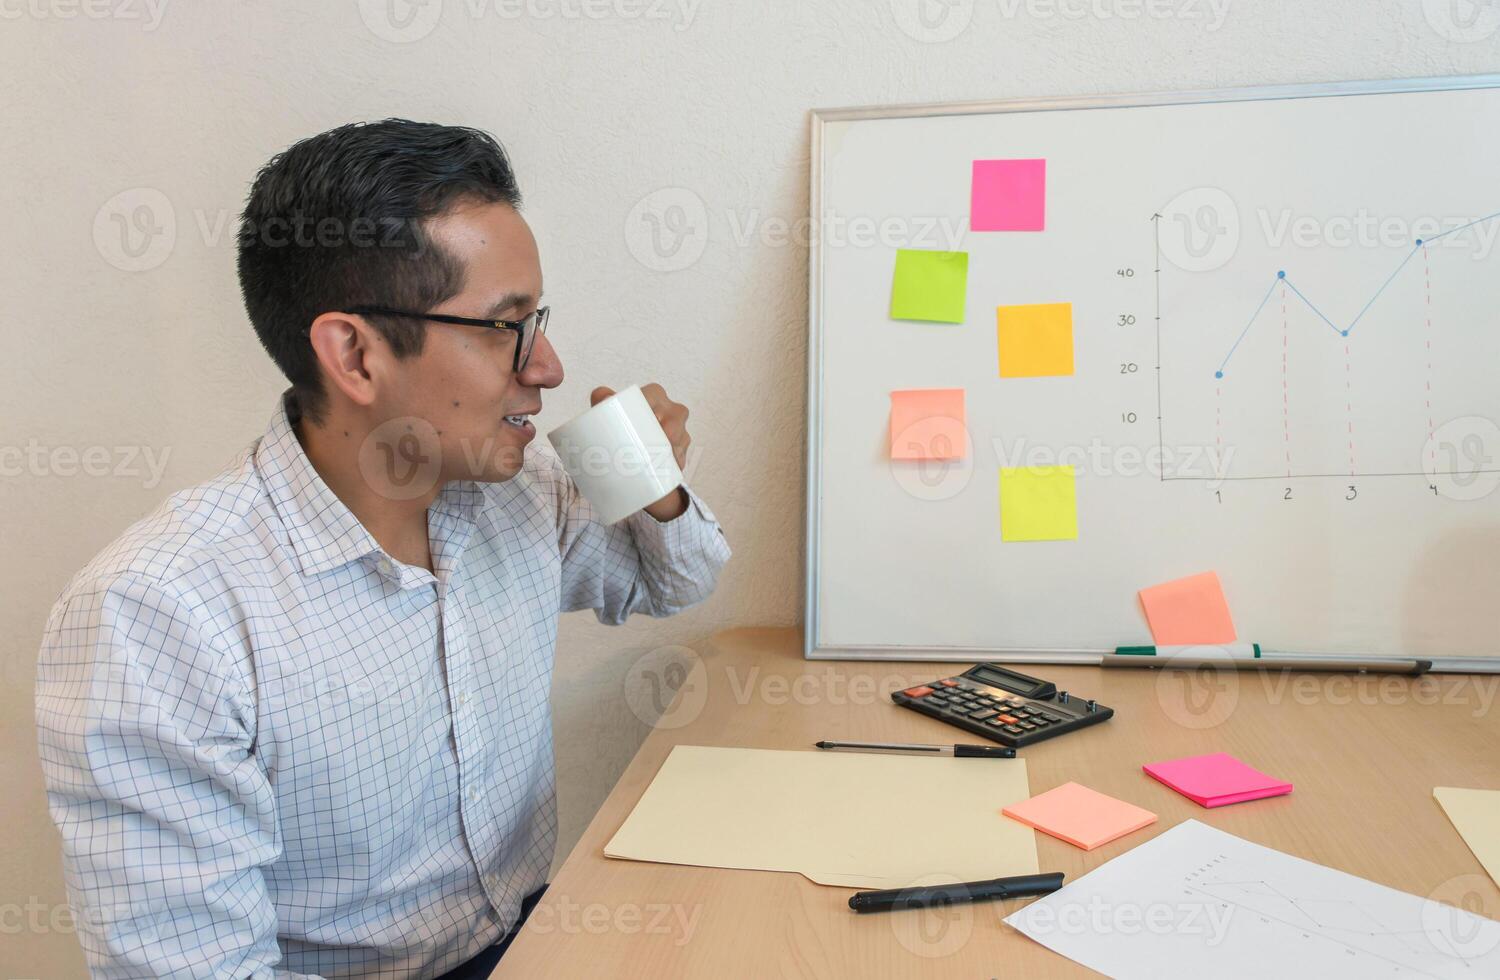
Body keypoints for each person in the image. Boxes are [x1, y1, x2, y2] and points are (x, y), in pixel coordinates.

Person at [34, 119, 730, 978]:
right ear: (355, 354)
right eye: (504, 327)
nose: (546, 367)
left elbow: (676, 581)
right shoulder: (158, 616)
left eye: (537, 319)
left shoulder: (514, 490)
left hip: (536, 939)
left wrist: (652, 487)